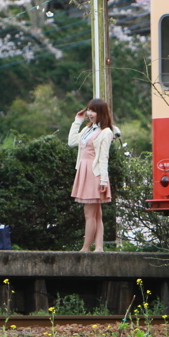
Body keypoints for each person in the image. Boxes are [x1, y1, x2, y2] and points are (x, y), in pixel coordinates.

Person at [68, 98, 114, 252]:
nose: (89, 113)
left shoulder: (106, 132)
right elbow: (72, 142)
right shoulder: (88, 129)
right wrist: (77, 121)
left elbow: (103, 157)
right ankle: (99, 247)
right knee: (96, 213)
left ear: (101, 112)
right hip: (84, 170)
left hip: (94, 173)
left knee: (90, 213)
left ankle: (86, 248)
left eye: (93, 110)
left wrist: (103, 180)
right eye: (88, 109)